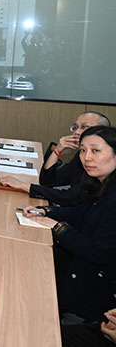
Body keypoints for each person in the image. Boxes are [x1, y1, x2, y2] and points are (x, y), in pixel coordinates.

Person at [21, 126, 116, 325]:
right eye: (82, 150)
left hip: (95, 289)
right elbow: (78, 213)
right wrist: (45, 211)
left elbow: (96, 251)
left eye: (95, 151)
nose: (86, 157)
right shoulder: (102, 184)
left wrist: (57, 227)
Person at [0, 112, 111, 206]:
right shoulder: (80, 156)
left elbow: (69, 198)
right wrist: (57, 150)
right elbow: (48, 181)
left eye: (84, 127)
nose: (77, 132)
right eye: (75, 127)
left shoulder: (104, 165)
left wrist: (23, 185)